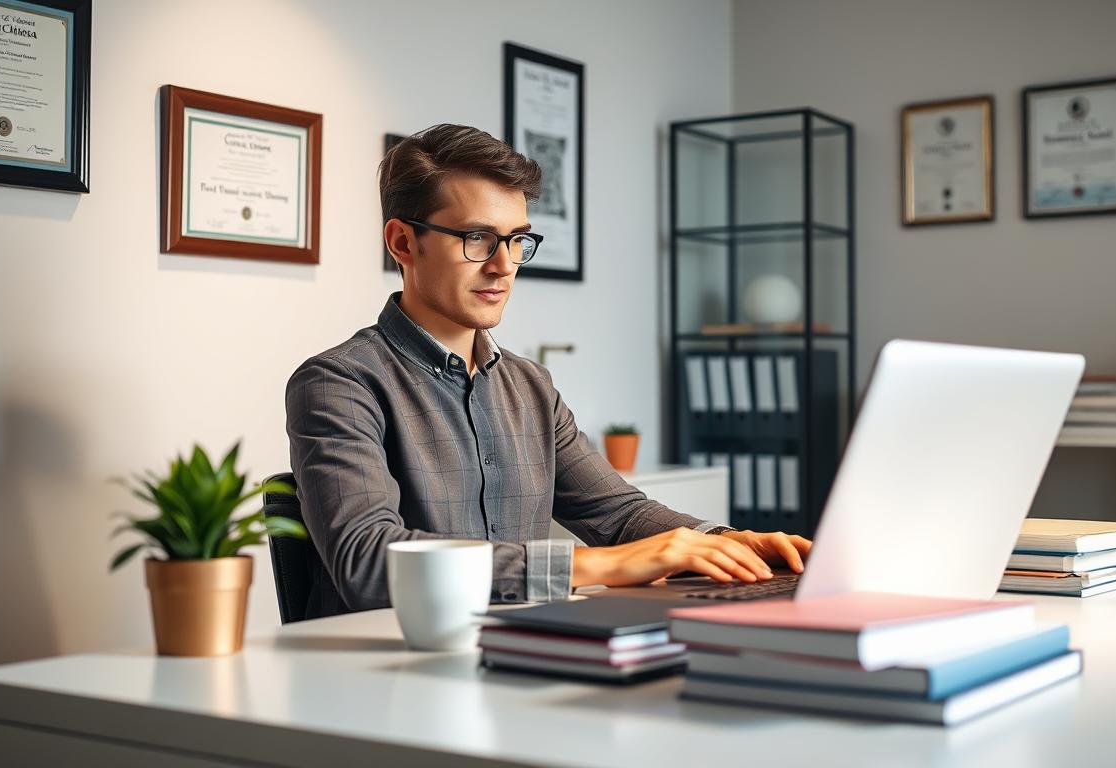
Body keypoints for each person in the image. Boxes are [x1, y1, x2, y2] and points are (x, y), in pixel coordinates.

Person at [286, 124, 811, 618]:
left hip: (520, 657)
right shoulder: (339, 383)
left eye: (517, 240)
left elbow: (619, 514)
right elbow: (368, 561)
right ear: (403, 242)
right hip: (391, 679)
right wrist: (596, 566)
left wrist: (724, 540)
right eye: (477, 238)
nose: (504, 264)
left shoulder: (530, 386)